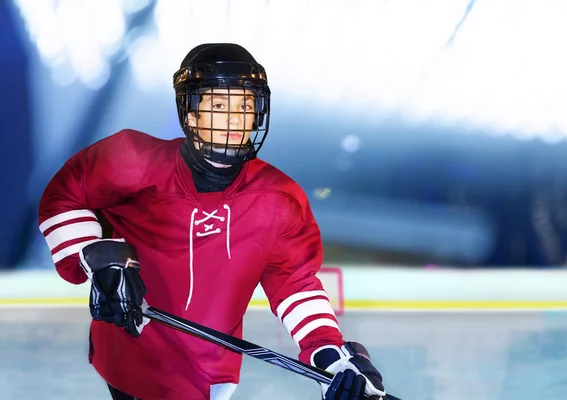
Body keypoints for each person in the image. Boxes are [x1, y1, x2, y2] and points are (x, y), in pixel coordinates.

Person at [38, 43, 387, 400]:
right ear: (190, 114)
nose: (235, 121)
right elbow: (64, 194)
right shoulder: (129, 159)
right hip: (126, 356)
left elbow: (296, 286)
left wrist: (331, 357)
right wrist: (93, 257)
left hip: (206, 374)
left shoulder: (279, 200)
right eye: (220, 105)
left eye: (245, 106)